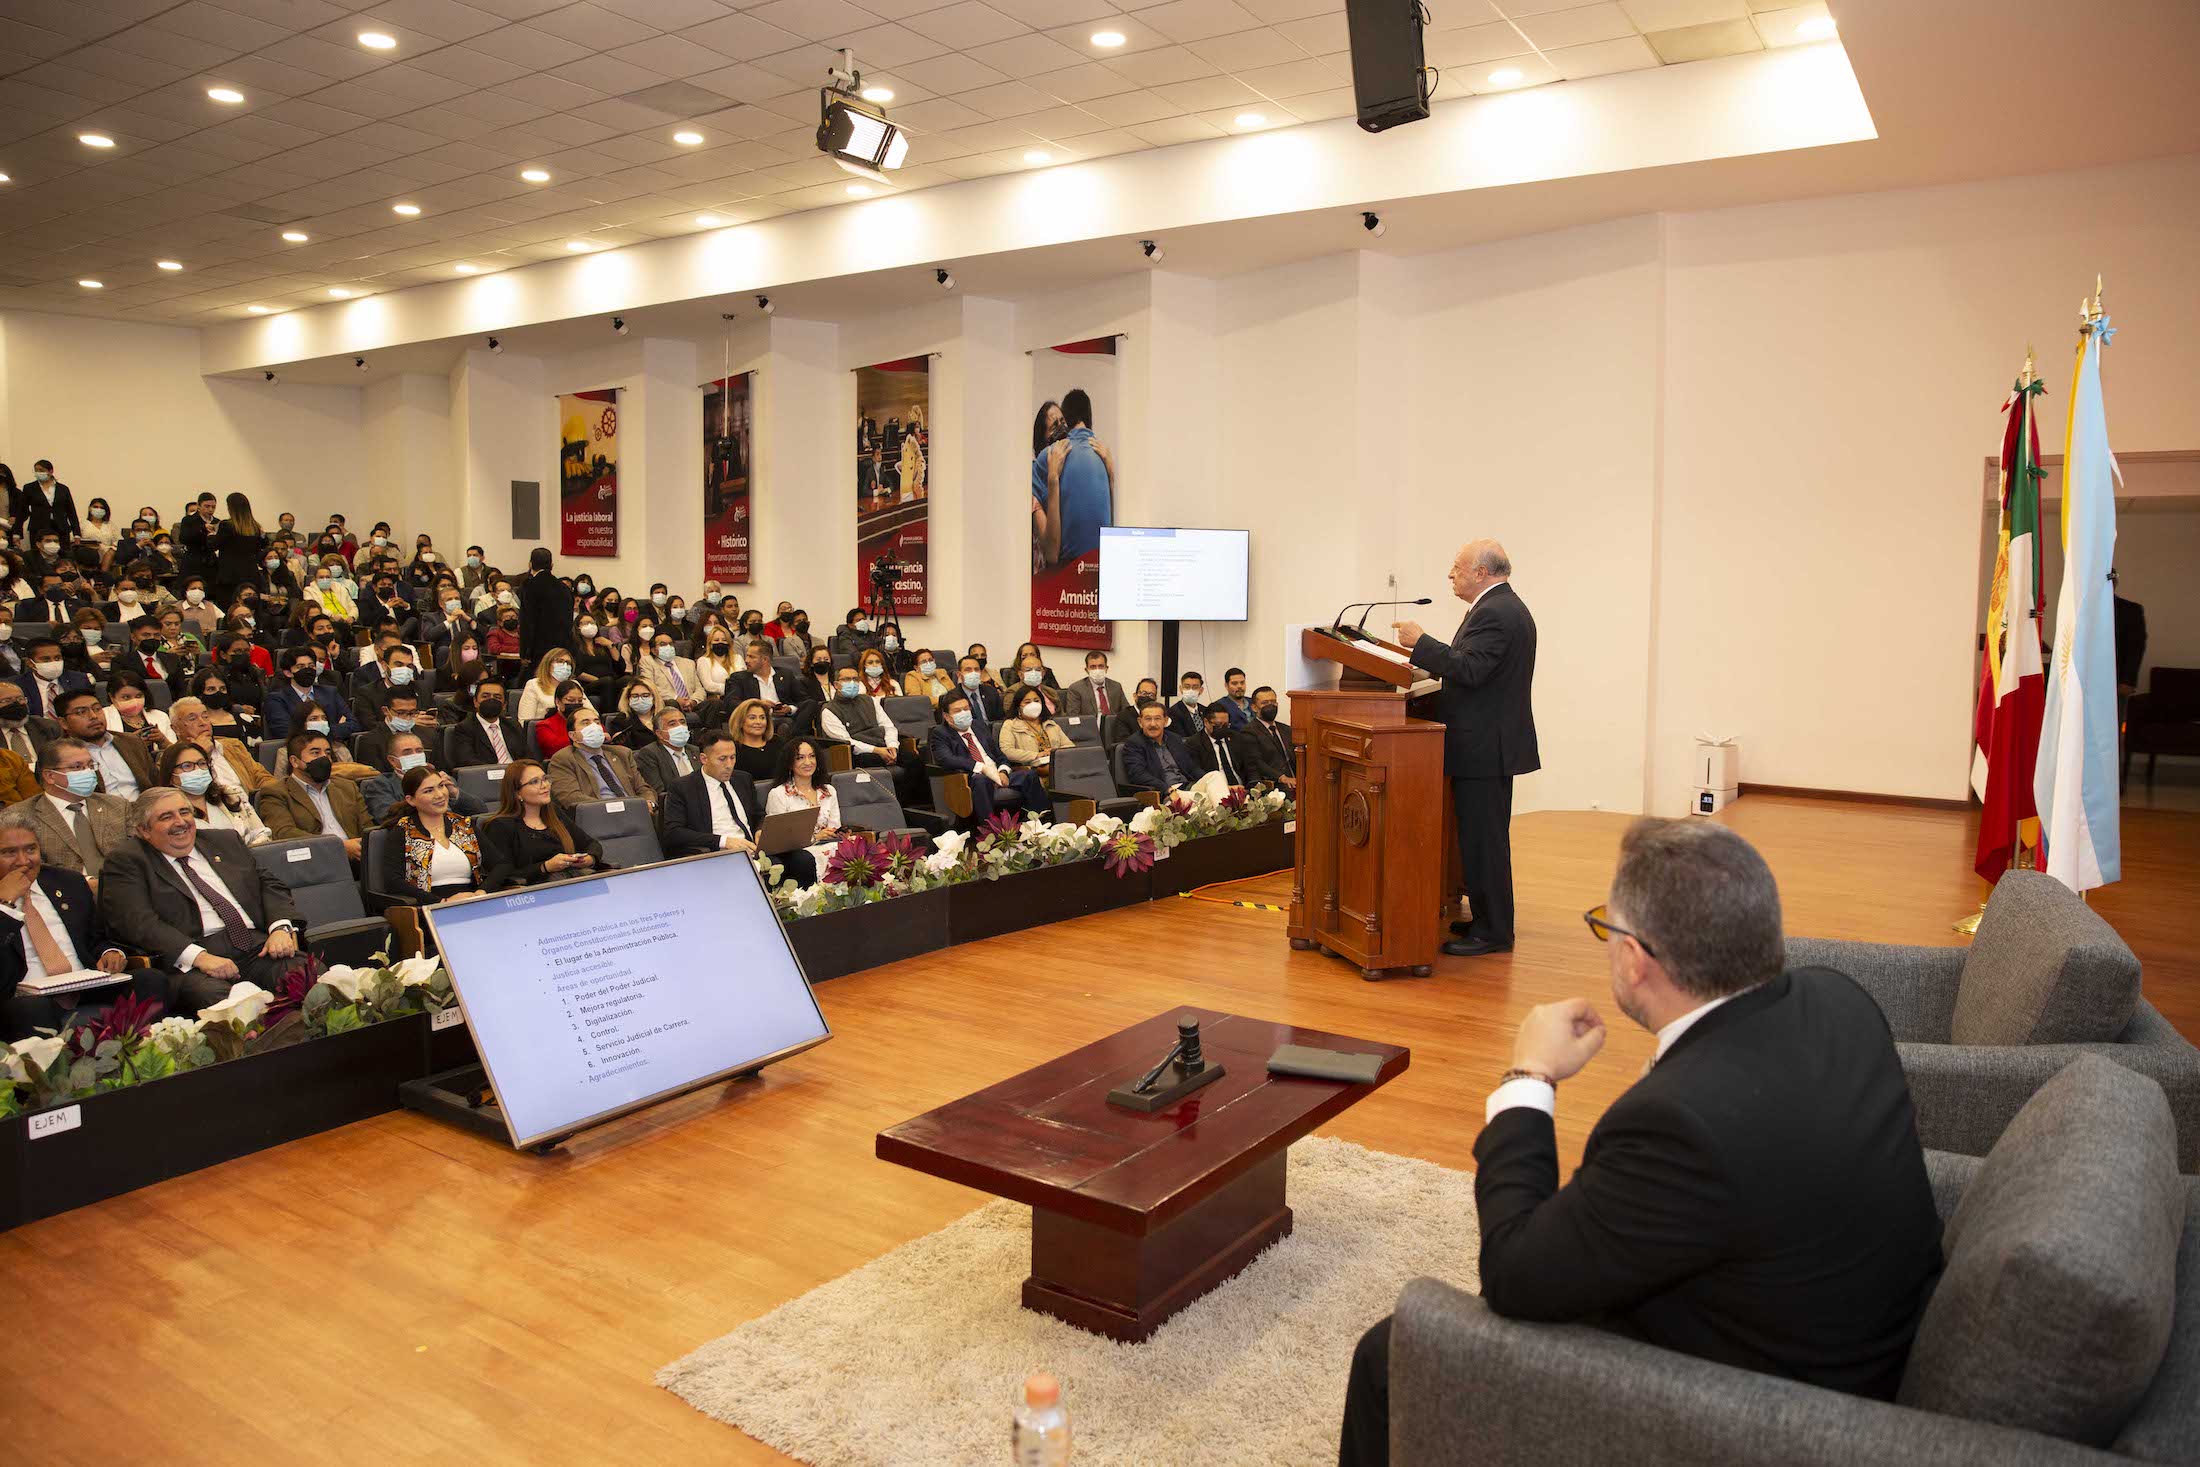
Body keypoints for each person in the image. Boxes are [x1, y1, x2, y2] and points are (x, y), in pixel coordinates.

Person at [1335, 820, 1945, 1466]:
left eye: (1608, 926)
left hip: (1766, 1416)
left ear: (1634, 956)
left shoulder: (1680, 1126)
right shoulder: (1840, 1000)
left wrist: (1529, 1077)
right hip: (1848, 1341)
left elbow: (1513, 1275)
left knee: (1394, 1355)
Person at [1394, 538, 1539, 958]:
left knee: (1485, 842)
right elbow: (1475, 667)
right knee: (1479, 840)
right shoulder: (1499, 607)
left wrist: (1421, 642)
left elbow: (1472, 669)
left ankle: (1494, 931)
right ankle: (1487, 920)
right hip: (1485, 743)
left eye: (1457, 568)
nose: (1450, 575)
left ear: (1481, 573)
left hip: (1484, 746)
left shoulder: (1496, 612)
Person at [96, 787, 305, 1010]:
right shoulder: (127, 861)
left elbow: (268, 884)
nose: (180, 822)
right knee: (229, 1006)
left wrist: (280, 928)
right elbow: (137, 922)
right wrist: (199, 957)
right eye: (166, 817)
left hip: (257, 945)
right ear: (144, 830)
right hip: (192, 959)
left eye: (185, 812)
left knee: (310, 977)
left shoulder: (224, 840)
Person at [0, 810, 141, 1041]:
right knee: (32, 1009)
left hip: (83, 985)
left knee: (151, 981)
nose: (23, 861)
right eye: (9, 852)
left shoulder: (67, 881)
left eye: (30, 849)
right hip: (23, 998)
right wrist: (4, 905)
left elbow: (95, 938)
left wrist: (109, 952)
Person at [659, 728, 821, 885]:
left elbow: (758, 814)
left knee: (803, 860)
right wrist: (723, 841)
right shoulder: (683, 787)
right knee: (769, 869)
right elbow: (674, 832)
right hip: (717, 852)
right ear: (704, 759)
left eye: (733, 757)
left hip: (752, 848)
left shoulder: (742, 779)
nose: (729, 764)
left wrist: (759, 830)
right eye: (722, 759)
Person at [478, 758, 607, 891]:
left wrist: (589, 859)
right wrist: (545, 867)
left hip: (572, 883)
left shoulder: (554, 813)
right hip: (535, 894)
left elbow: (592, 844)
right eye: (535, 782)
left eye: (545, 779)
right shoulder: (500, 826)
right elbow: (503, 876)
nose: (545, 785)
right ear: (517, 793)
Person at [929, 690, 1048, 825]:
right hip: (972, 779)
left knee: (1030, 775)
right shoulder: (940, 733)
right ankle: (990, 832)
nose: (964, 713)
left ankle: (1037, 825)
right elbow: (946, 759)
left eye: (966, 709)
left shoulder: (978, 725)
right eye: (957, 711)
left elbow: (999, 755)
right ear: (947, 716)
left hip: (998, 774)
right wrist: (981, 768)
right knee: (981, 780)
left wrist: (1003, 771)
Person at [818, 662, 923, 809]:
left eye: (855, 679)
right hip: (859, 753)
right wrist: (877, 750)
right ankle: (890, 806)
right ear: (836, 684)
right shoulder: (829, 710)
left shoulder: (869, 700)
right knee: (874, 763)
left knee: (915, 760)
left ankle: (906, 806)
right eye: (847, 680)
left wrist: (892, 746)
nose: (852, 683)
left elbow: (888, 726)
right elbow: (845, 742)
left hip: (884, 747)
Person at [379, 765, 485, 904]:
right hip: (430, 905)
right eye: (429, 791)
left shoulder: (463, 824)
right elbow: (393, 881)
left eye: (441, 786)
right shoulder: (402, 831)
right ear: (411, 800)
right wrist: (442, 901)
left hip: (474, 900)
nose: (439, 795)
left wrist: (481, 891)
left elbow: (501, 864)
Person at [257, 730, 366, 858]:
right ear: (294, 761)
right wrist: (339, 847)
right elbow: (284, 833)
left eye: (328, 753)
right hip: (314, 861)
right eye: (315, 753)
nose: (324, 758)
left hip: (358, 858)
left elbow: (367, 827)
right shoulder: (276, 792)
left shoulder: (347, 787)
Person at [361, 729, 487, 824]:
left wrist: (454, 792)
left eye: (419, 751)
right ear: (392, 761)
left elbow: (481, 811)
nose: (415, 755)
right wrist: (423, 796)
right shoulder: (381, 784)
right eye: (408, 752)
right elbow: (387, 818)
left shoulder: (441, 778)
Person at [160, 738, 271, 845]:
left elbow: (262, 833)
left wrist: (243, 853)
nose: (198, 770)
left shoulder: (231, 795)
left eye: (202, 763)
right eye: (187, 766)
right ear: (170, 774)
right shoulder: (165, 811)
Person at [166, 695, 276, 800]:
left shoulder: (233, 746)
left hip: (247, 806)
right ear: (175, 729)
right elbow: (183, 796)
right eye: (192, 719)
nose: (203, 722)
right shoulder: (169, 758)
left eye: (205, 716)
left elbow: (262, 777)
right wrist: (199, 754)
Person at [546, 704, 652, 809]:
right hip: (598, 816)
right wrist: (614, 807)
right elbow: (570, 797)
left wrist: (649, 803)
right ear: (573, 735)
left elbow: (642, 788)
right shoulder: (563, 759)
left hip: (634, 812)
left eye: (597, 722)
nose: (594, 726)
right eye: (586, 723)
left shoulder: (622, 753)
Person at [58, 687, 156, 798]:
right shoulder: (60, 755)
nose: (93, 716)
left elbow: (155, 783)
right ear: (63, 723)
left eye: (97, 709)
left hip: (144, 809)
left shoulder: (131, 742)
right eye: (81, 712)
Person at [263, 646, 358, 743]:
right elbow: (285, 732)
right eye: (300, 667)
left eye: (311, 666)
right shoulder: (276, 699)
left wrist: (310, 728)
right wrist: (331, 729)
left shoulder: (330, 693)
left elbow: (353, 724)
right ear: (288, 673)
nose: (307, 670)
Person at [1121, 700, 1199, 796]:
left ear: (1165, 721)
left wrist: (1205, 778)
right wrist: (1167, 789)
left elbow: (1191, 768)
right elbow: (1138, 775)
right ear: (1140, 722)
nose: (1153, 724)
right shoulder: (1134, 743)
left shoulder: (1174, 739)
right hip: (1167, 792)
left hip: (1188, 787)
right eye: (1148, 719)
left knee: (1215, 776)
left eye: (1157, 719)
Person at [446, 674, 524, 767]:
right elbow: (467, 762)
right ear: (475, 702)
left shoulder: (513, 726)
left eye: (497, 697)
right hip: (485, 776)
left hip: (516, 775)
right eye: (485, 696)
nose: (491, 700)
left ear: (504, 705)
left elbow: (527, 757)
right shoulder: (464, 729)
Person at [517, 547, 575, 667]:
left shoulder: (529, 585)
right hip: (562, 645)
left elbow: (527, 620)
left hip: (538, 647)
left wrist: (525, 651)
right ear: (551, 565)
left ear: (530, 564)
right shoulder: (564, 587)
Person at [211, 492, 267, 606]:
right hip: (250, 573)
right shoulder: (255, 527)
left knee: (229, 607)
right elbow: (261, 546)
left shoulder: (226, 526)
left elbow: (214, 545)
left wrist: (211, 535)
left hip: (229, 576)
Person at [1237, 685, 1296, 793]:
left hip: (1296, 779)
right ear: (1254, 707)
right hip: (1274, 783)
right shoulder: (1249, 731)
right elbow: (1257, 762)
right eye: (1265, 703)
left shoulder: (1286, 729)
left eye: (1273, 702)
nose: (1270, 706)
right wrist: (1282, 777)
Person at [1001, 686, 1073, 772]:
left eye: (1036, 701)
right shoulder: (1010, 725)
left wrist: (1055, 752)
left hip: (1057, 765)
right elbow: (1007, 751)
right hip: (1030, 770)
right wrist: (1036, 755)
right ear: (1018, 706)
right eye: (1027, 702)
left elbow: (1070, 746)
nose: (1033, 705)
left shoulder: (1050, 724)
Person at [639, 629, 705, 717]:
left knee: (714, 703)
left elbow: (699, 689)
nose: (668, 647)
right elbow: (649, 686)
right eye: (663, 644)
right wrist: (676, 698)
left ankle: (710, 731)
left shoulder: (688, 663)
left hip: (691, 704)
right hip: (668, 703)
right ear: (654, 650)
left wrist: (692, 701)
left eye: (671, 644)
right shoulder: (648, 662)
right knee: (672, 704)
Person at [17, 638, 89, 719]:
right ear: (30, 663)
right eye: (46, 660)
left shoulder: (79, 680)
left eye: (57, 658)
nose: (53, 663)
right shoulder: (17, 685)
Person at [634, 705, 698, 796]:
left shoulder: (694, 750)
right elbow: (659, 791)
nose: (680, 727)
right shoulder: (649, 754)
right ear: (659, 734)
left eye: (682, 722)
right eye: (672, 724)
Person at [20, 460, 81, 545]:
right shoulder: (29, 488)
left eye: (41, 470)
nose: (38, 473)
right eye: (36, 470)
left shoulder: (63, 489)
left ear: (51, 471)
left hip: (61, 528)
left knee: (63, 554)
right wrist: (17, 532)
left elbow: (71, 512)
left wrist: (77, 533)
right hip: (38, 528)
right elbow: (22, 510)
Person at [724, 697, 784, 784]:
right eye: (752, 718)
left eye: (762, 718)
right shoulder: (732, 748)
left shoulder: (778, 742)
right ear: (740, 722)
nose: (758, 722)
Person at [105, 675, 174, 750]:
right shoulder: (103, 717)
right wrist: (130, 745)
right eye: (126, 697)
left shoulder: (160, 716)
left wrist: (162, 741)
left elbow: (176, 753)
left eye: (138, 696)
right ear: (112, 697)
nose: (134, 701)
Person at [1060, 651, 1127, 724]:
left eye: (1101, 666)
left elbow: (1127, 711)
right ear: (1086, 670)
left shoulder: (1116, 686)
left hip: (1114, 727)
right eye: (1093, 667)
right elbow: (1073, 717)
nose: (1097, 670)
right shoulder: (1076, 689)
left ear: (1106, 668)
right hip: (1088, 728)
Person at [1192, 700, 1248, 787]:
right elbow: (1198, 774)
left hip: (1241, 787)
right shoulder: (1194, 743)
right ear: (1206, 722)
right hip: (1215, 789)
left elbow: (1250, 766)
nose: (1222, 728)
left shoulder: (1236, 738)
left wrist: (1253, 784)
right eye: (1218, 725)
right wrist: (1224, 788)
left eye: (1225, 725)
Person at [531, 680, 586, 760]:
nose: (576, 704)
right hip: (562, 765)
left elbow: (603, 735)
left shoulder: (589, 720)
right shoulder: (545, 726)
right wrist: (584, 737)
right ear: (558, 702)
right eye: (570, 700)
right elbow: (555, 749)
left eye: (580, 700)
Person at [517, 648, 571, 725]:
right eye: (560, 661)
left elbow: (591, 712)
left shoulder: (574, 684)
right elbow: (525, 722)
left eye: (568, 663)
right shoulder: (534, 685)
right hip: (544, 730)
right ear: (548, 664)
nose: (565, 666)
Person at [956, 655, 1004, 729]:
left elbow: (1001, 719)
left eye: (976, 669)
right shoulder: (953, 697)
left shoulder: (991, 692)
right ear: (959, 674)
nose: (973, 673)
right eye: (968, 670)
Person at [1167, 670, 1206, 739]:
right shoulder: (1173, 712)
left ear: (1201, 690)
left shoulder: (1206, 710)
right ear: (1181, 689)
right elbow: (1179, 739)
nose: (1191, 690)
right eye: (1187, 687)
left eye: (1195, 687)